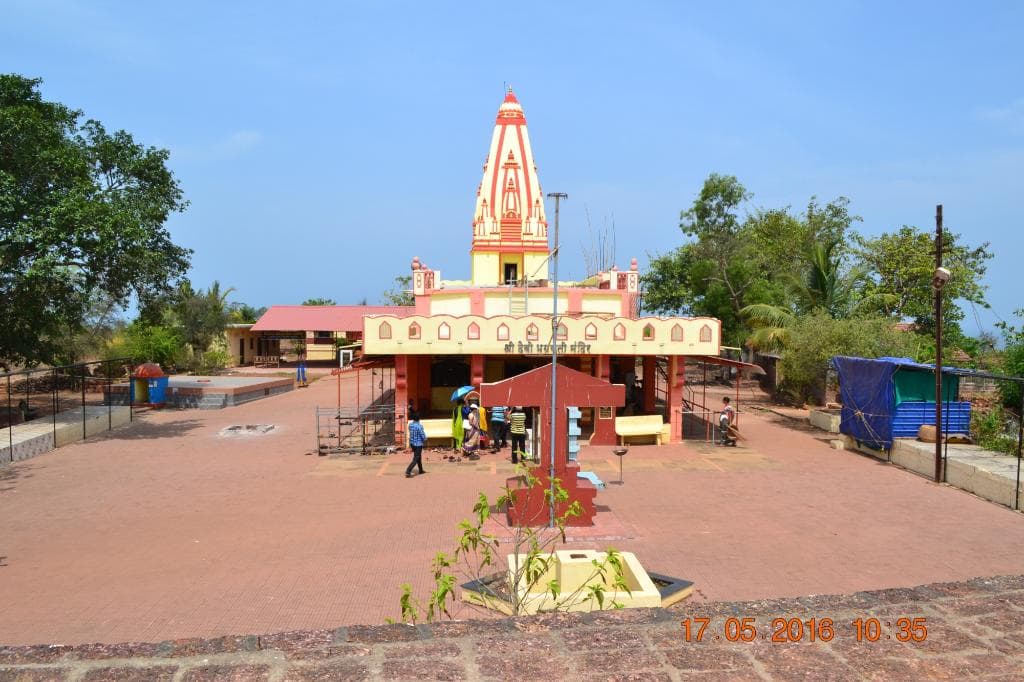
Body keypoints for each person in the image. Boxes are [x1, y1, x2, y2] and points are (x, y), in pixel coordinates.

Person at [406, 412, 427, 477]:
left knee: (418, 457)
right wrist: (425, 439)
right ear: (419, 419)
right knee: (416, 458)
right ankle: (408, 470)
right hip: (418, 444)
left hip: (412, 443)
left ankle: (420, 470)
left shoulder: (410, 425)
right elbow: (422, 435)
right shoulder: (419, 426)